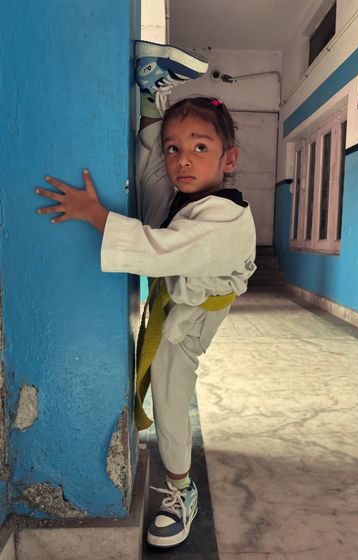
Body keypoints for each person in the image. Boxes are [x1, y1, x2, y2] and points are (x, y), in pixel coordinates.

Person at [35, 40, 256, 548]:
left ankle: (182, 489)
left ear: (229, 160)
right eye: (174, 147)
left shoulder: (224, 217)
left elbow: (158, 250)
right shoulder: (194, 199)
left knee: (171, 397)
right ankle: (154, 94)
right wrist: (155, 118)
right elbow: (157, 190)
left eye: (200, 148)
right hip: (178, 297)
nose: (183, 160)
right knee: (155, 191)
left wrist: (94, 213)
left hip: (189, 322)